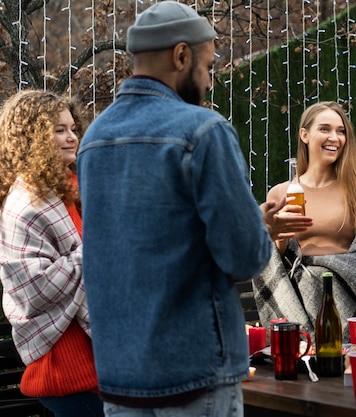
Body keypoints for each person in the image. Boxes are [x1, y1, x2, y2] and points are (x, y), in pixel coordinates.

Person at [76, 2, 308, 416]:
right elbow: (245, 255)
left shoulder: (94, 139)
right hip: (194, 372)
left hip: (120, 376)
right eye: (208, 65)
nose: (209, 80)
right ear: (181, 56)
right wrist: (260, 228)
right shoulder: (204, 131)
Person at [252, 101, 356, 343]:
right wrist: (279, 237)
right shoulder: (280, 193)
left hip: (350, 304)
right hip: (296, 303)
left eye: (341, 131)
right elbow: (273, 262)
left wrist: (333, 267)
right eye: (325, 129)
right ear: (304, 135)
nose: (335, 137)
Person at [0, 90, 103, 417]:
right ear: (32, 136)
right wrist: (100, 248)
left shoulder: (66, 189)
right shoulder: (28, 204)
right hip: (66, 366)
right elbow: (35, 290)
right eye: (59, 130)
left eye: (72, 128)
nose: (72, 137)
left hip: (95, 358)